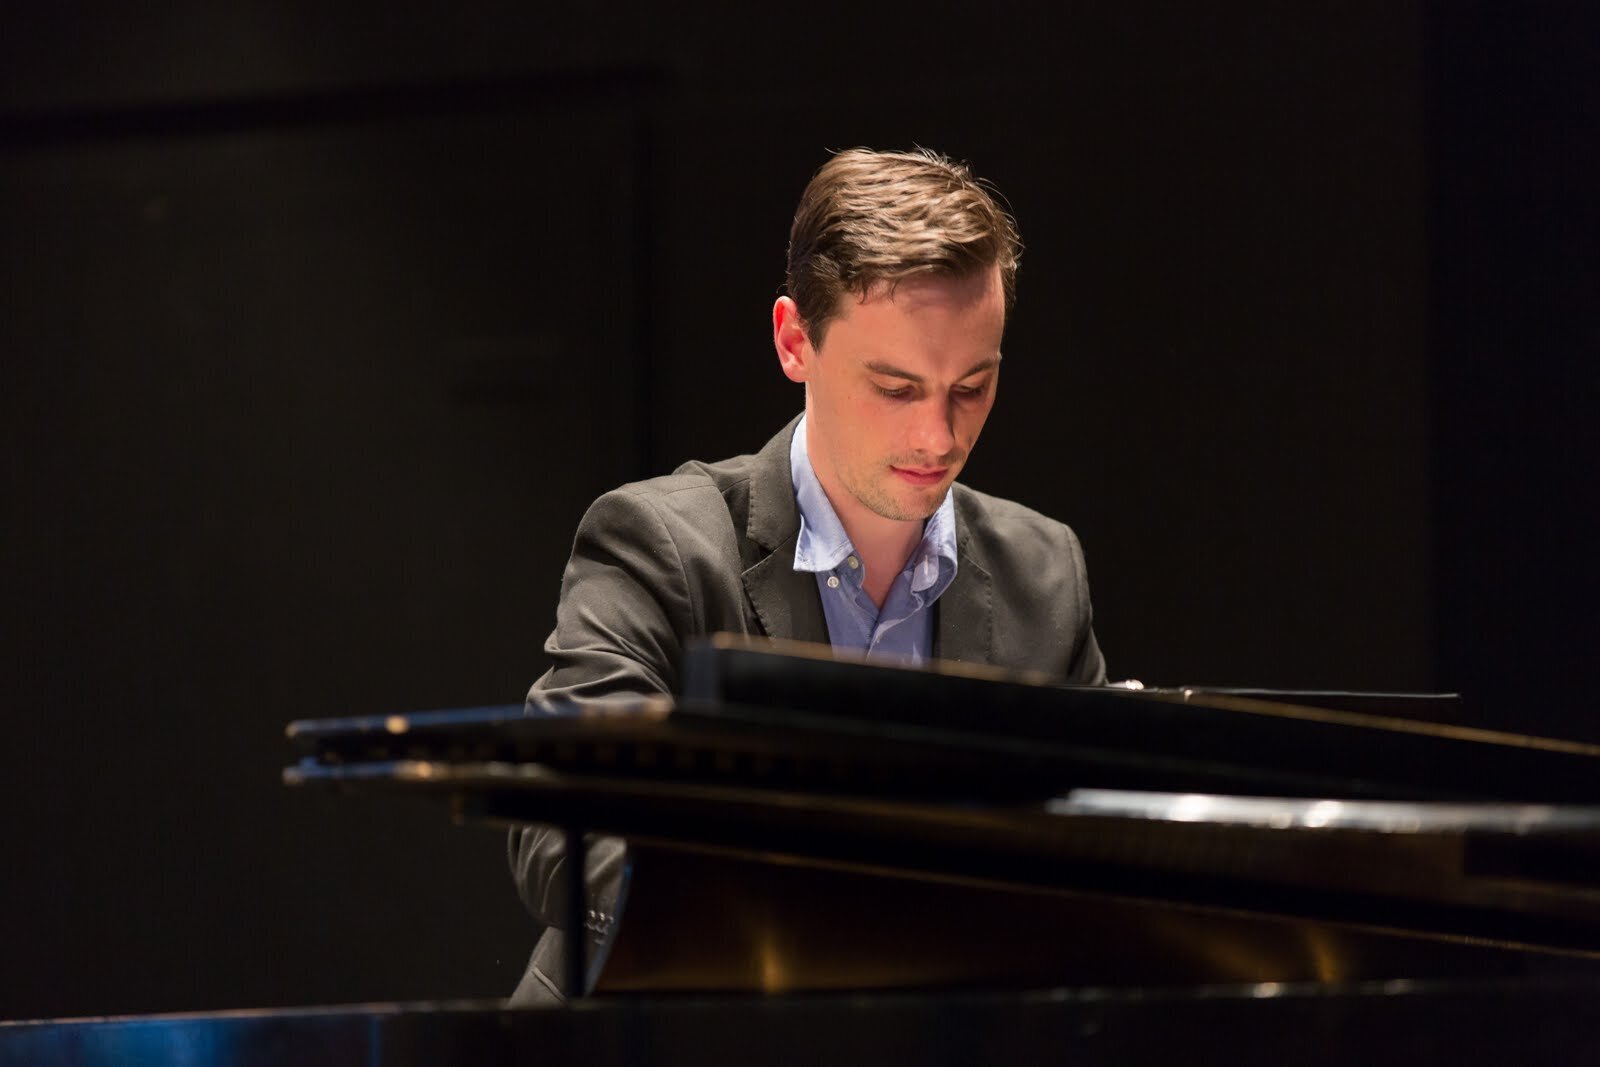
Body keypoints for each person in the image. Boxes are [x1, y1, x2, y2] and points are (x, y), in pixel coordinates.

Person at [507, 147, 1107, 1005]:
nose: (939, 437)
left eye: (972, 386)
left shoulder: (1043, 572)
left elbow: (1097, 860)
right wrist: (796, 932)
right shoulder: (659, 544)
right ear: (795, 340)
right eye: (897, 387)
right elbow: (557, 819)